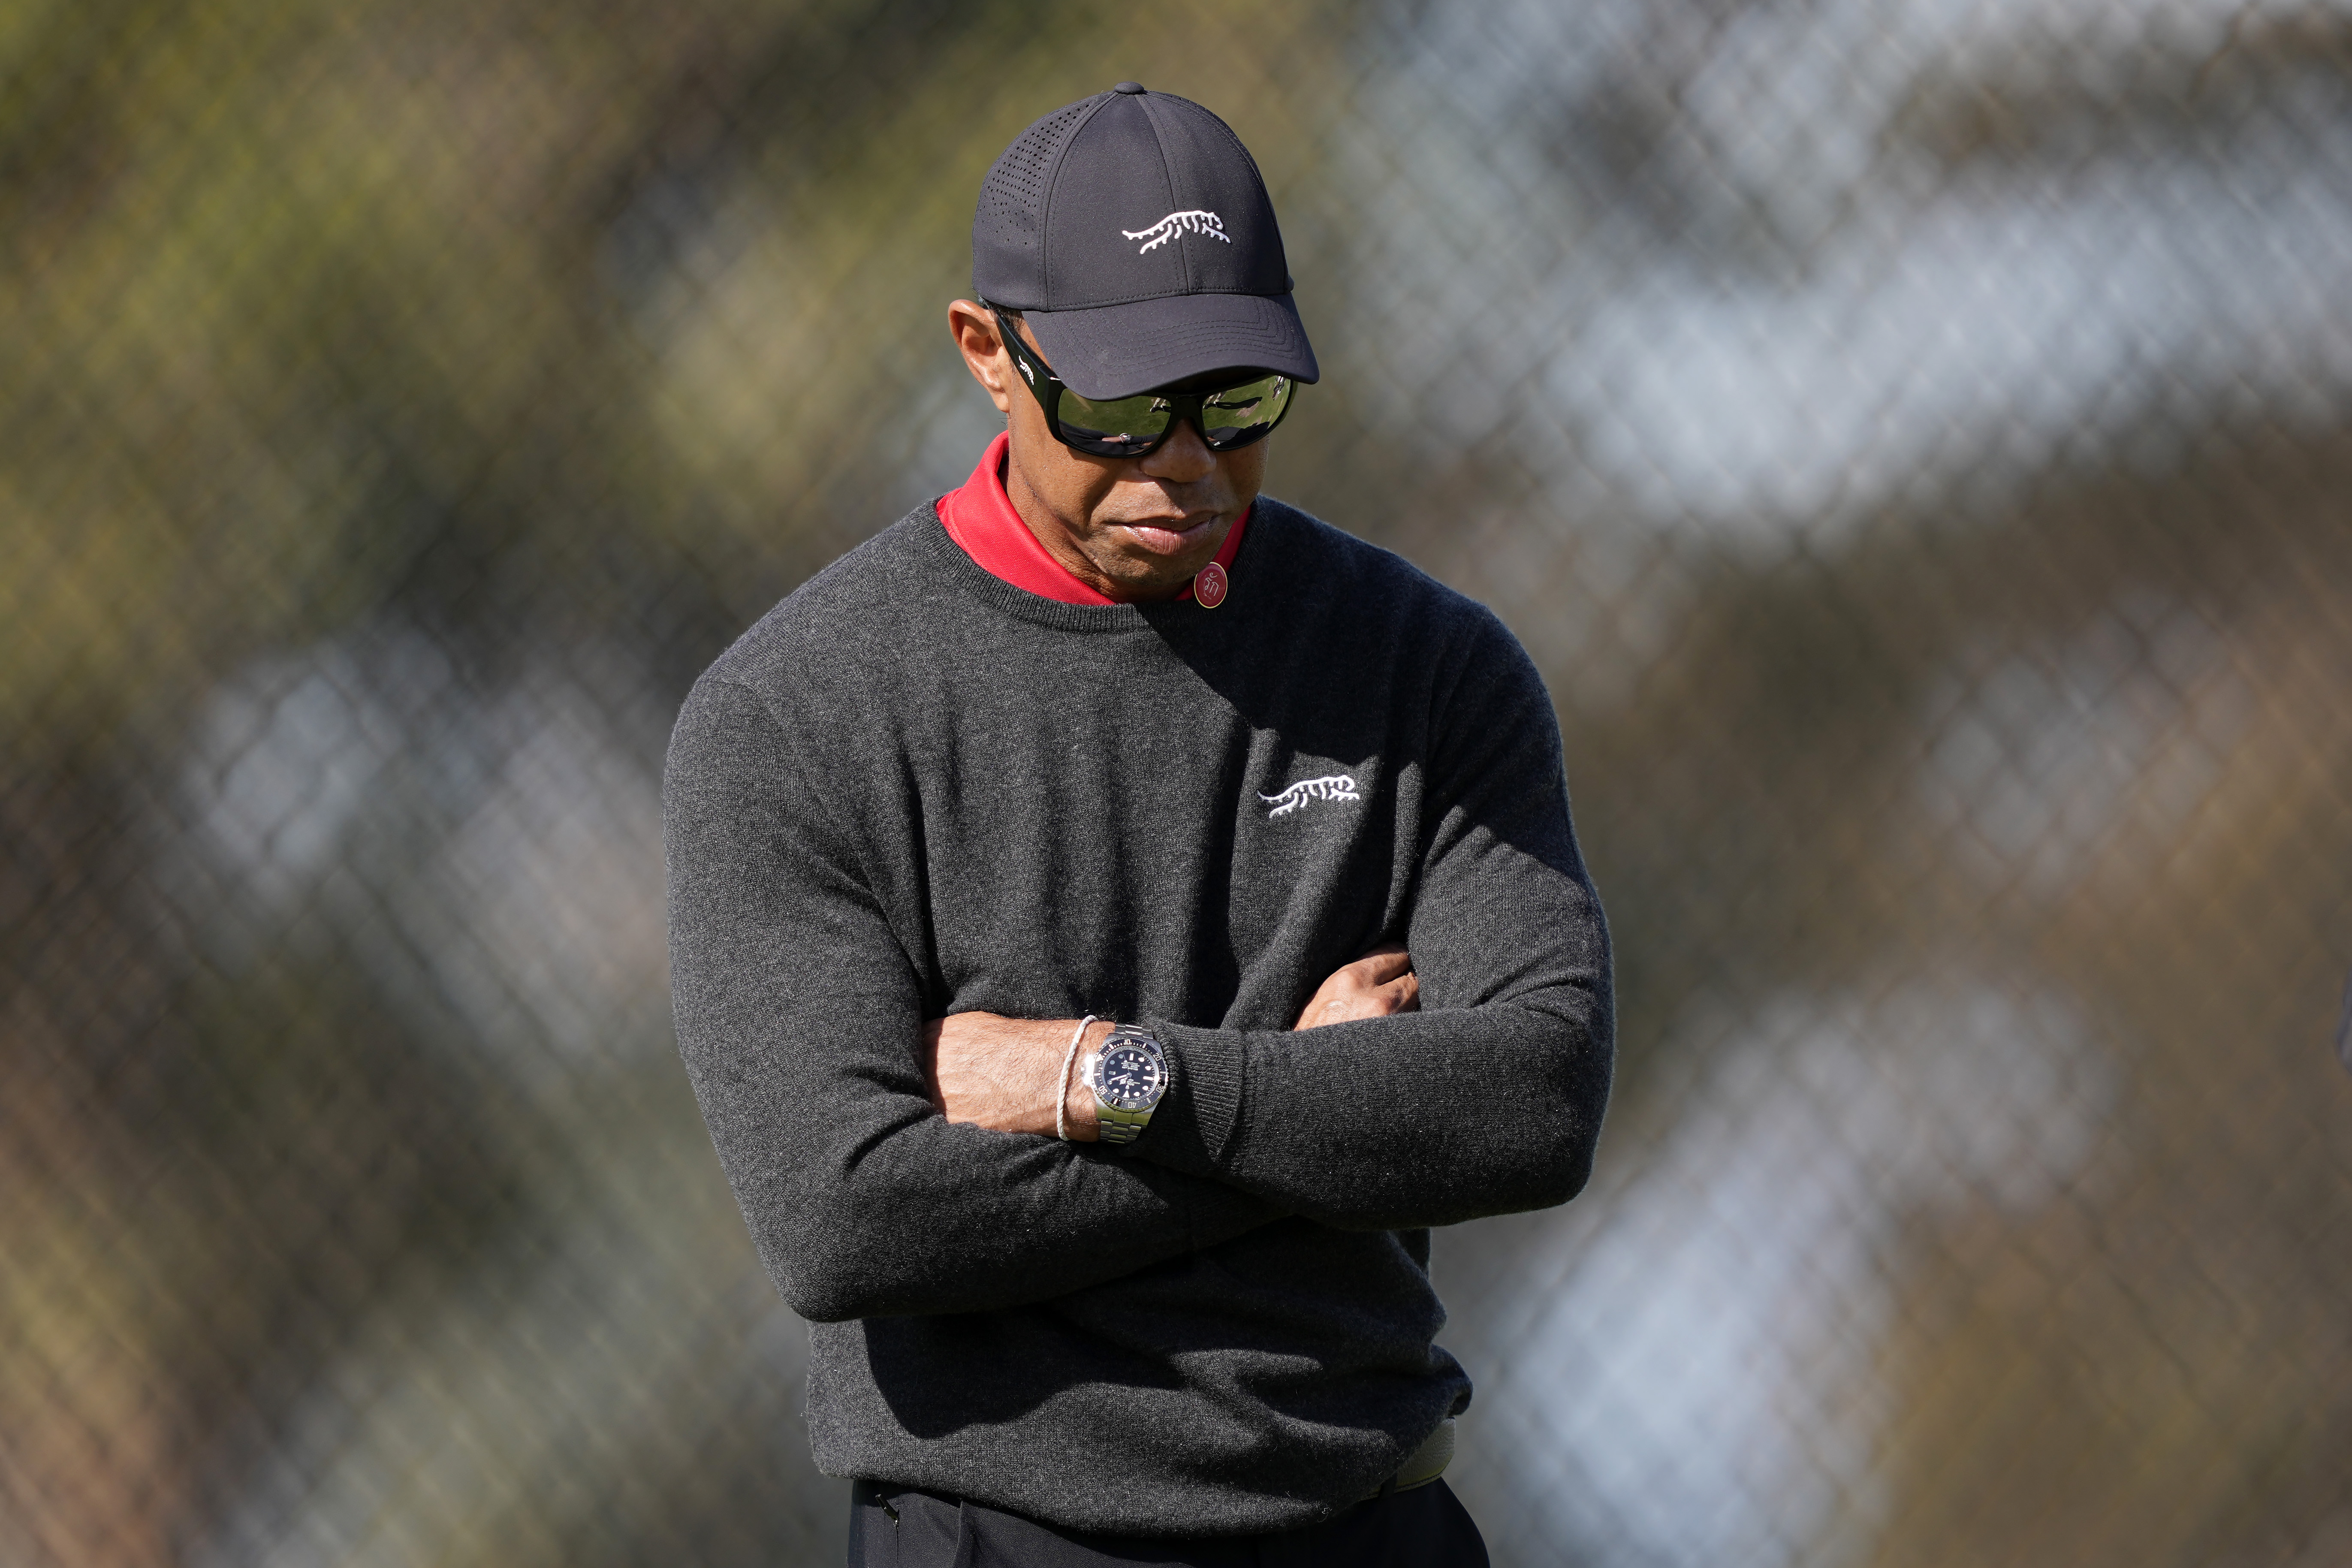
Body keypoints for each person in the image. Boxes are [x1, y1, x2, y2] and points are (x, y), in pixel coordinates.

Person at [663, 83, 1613, 1566]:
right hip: (997, 1539)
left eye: (1234, 400)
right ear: (987, 350)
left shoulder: (1425, 669)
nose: (1182, 462)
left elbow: (1531, 1103)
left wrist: (1115, 1079)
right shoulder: (794, 716)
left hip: (1370, 1528)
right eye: (1115, 405)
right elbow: (848, 1219)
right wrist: (1316, 1107)